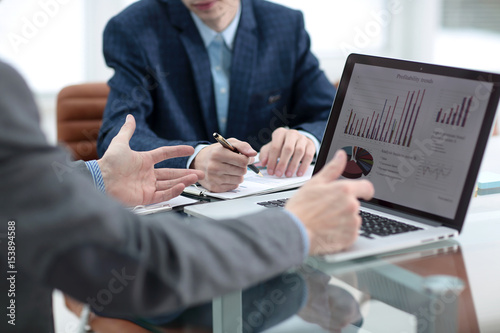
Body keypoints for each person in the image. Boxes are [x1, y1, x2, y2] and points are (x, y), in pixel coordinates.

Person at [0, 60, 373, 331]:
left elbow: (15, 197)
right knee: (286, 294)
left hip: (208, 233)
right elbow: (141, 264)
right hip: (176, 248)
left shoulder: (284, 24)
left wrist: (97, 176)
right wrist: (296, 226)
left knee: (288, 294)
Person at [97, 0, 337, 192]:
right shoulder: (133, 29)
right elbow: (116, 137)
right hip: (177, 213)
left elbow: (332, 114)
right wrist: (195, 158)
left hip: (268, 202)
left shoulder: (285, 26)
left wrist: (307, 139)